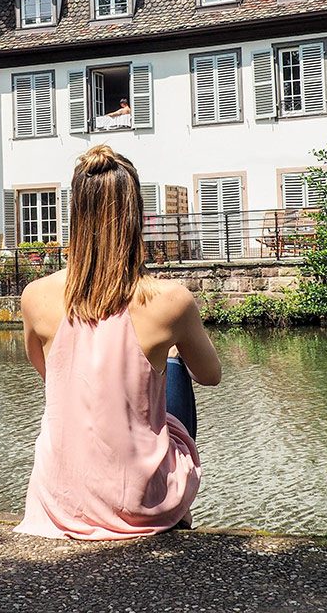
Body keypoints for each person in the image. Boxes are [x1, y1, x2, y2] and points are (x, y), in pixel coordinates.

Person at [15, 143, 222, 540]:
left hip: (59, 499)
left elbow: (49, 375)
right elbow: (211, 375)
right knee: (174, 361)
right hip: (139, 503)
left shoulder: (35, 296)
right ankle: (175, 510)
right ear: (135, 216)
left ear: (74, 214)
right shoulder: (170, 300)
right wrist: (167, 351)